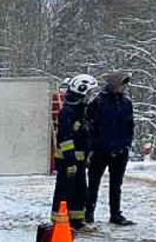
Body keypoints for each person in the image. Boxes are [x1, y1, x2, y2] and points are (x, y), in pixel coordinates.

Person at [86, 71, 135, 226]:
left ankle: (115, 214)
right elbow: (90, 125)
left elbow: (129, 125)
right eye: (121, 84)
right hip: (100, 150)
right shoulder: (98, 102)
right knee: (93, 183)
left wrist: (126, 144)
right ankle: (88, 213)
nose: (123, 87)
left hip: (120, 150)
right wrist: (93, 146)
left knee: (116, 185)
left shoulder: (126, 103)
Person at [52, 74, 99, 230]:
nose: (91, 97)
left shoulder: (81, 110)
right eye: (89, 93)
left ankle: (76, 221)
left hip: (78, 159)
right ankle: (60, 221)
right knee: (65, 191)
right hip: (67, 160)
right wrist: (71, 160)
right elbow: (64, 138)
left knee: (80, 191)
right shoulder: (68, 111)